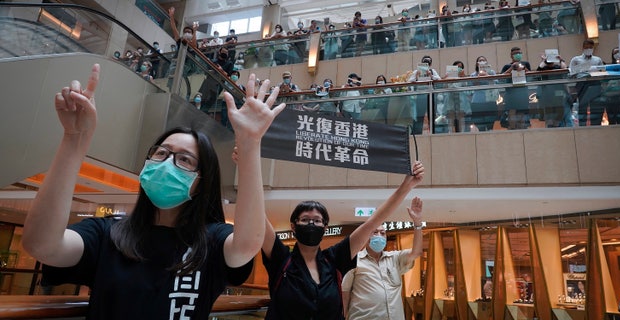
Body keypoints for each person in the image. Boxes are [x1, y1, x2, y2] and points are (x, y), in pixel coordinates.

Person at [21, 64, 286, 319]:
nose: (168, 163)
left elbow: (248, 244)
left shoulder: (212, 240)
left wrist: (250, 144)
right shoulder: (107, 234)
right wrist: (74, 138)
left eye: (184, 160)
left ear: (200, 183)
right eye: (161, 153)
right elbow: (41, 245)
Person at [261, 161, 425, 320]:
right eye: (304, 220)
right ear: (293, 226)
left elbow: (373, 222)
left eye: (317, 220)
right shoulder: (281, 260)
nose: (311, 224)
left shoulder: (334, 259)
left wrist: (406, 187)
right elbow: (256, 216)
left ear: (325, 227)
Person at [342, 197, 424, 320]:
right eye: (374, 232)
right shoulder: (354, 260)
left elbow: (416, 252)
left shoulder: (395, 259)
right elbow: (345, 293)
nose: (379, 236)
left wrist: (417, 223)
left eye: (382, 233)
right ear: (366, 236)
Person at [569, 39, 605, 126]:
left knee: (595, 106)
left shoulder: (598, 60)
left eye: (590, 47)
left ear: (593, 48)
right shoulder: (576, 59)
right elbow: (571, 73)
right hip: (582, 84)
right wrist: (579, 70)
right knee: (582, 107)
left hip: (595, 83)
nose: (588, 49)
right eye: (586, 47)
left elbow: (602, 72)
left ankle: (596, 126)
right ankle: (582, 126)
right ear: (583, 48)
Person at [500, 47, 532, 129]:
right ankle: (512, 128)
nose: (518, 55)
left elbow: (531, 76)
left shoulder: (526, 64)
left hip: (522, 92)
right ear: (511, 55)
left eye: (519, 53)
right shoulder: (507, 66)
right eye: (515, 53)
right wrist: (512, 68)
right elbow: (501, 78)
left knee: (521, 113)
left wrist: (524, 68)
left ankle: (521, 129)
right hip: (511, 93)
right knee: (511, 113)